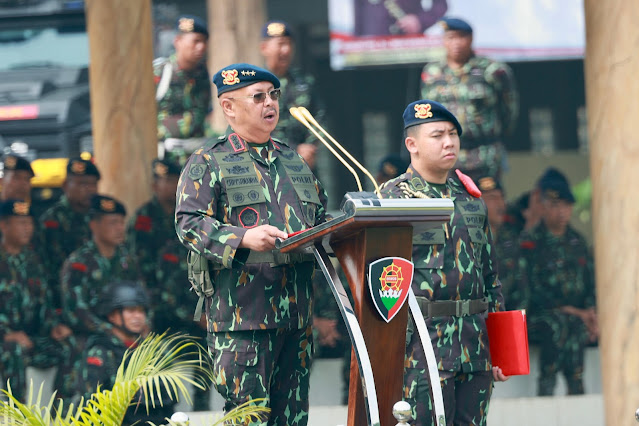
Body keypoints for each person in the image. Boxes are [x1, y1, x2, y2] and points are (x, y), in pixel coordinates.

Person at [175, 63, 328, 425]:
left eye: (273, 95)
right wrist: (243, 237)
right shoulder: (209, 160)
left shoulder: (293, 159)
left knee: (293, 419)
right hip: (243, 321)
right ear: (229, 107)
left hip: (296, 318)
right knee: (249, 420)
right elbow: (188, 223)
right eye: (257, 97)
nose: (269, 103)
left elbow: (320, 220)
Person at [380, 100, 507, 424]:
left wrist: (501, 347)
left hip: (474, 344)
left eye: (453, 134)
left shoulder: (470, 199)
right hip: (423, 345)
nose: (449, 142)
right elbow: (379, 280)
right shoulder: (392, 198)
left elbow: (490, 277)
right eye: (437, 135)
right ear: (412, 144)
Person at [518, 168, 598, 396]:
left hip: (575, 317)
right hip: (540, 317)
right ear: (543, 206)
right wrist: (570, 310)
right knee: (557, 324)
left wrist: (591, 312)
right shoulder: (530, 243)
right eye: (555, 205)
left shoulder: (577, 242)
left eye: (566, 205)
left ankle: (576, 386)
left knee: (577, 327)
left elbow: (590, 283)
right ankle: (547, 385)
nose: (561, 211)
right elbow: (530, 290)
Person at [57, 194, 141, 397]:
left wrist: (141, 324)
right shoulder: (79, 262)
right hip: (89, 333)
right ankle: (71, 404)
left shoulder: (127, 260)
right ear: (94, 225)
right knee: (78, 351)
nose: (120, 228)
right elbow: (75, 312)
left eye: (121, 222)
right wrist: (110, 330)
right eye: (113, 223)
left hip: (125, 329)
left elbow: (141, 297)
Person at [420, 17, 519, 181]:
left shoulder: (492, 70)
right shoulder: (432, 73)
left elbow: (509, 112)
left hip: (484, 155)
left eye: (461, 37)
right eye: (451, 37)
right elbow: (427, 115)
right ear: (444, 40)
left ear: (471, 39)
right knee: (449, 197)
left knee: (488, 197)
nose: (456, 43)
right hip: (447, 155)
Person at [74, 280, 175, 423]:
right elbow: (92, 402)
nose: (138, 316)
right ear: (112, 315)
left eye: (141, 311)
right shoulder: (101, 351)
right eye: (131, 310)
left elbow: (170, 396)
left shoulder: (154, 350)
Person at [0, 200, 71, 401]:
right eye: (21, 223)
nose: (27, 228)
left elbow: (44, 303)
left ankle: (61, 409)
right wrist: (7, 335)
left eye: (30, 223)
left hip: (31, 336)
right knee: (13, 351)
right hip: (6, 340)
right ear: (4, 225)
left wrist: (54, 326)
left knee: (70, 345)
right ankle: (17, 411)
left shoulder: (33, 261)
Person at [260, 21, 325, 170]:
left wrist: (308, 148)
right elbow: (253, 128)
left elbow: (319, 117)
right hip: (269, 165)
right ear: (264, 48)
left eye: (289, 44)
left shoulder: (304, 82)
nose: (286, 50)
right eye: (281, 44)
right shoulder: (254, 86)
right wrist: (293, 149)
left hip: (304, 164)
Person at [39, 158, 100, 308]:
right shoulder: (52, 220)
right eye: (82, 184)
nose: (89, 190)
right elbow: (47, 267)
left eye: (93, 184)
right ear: (66, 185)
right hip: (62, 298)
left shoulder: (99, 218)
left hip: (97, 295)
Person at [154, 14, 211, 162]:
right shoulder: (161, 72)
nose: (201, 47)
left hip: (196, 157)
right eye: (196, 41)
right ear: (178, 41)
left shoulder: (203, 76)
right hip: (165, 157)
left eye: (204, 42)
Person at [127, 158, 181, 289]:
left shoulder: (186, 214)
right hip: (154, 287)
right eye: (169, 181)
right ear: (155, 186)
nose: (175, 186)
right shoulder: (144, 217)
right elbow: (138, 258)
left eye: (178, 181)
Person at [354, 0, 448, 36]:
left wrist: (419, 20)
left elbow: (440, 5)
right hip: (372, 46)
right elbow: (359, 13)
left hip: (409, 45)